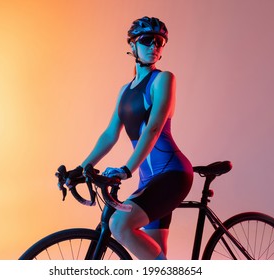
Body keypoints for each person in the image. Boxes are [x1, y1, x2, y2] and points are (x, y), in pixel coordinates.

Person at [62, 16, 193, 260]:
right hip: (148, 180)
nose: (154, 46)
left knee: (120, 225)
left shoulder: (163, 79)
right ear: (132, 45)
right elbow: (111, 134)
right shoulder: (125, 90)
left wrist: (126, 169)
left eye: (160, 42)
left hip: (172, 175)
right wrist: (81, 169)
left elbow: (154, 128)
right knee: (156, 258)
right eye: (147, 41)